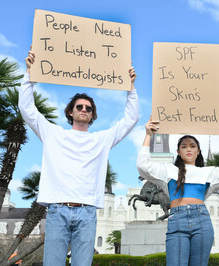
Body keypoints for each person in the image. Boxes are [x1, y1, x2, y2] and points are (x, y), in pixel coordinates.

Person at [19, 49, 139, 266]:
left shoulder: (101, 140)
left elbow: (131, 119)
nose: (84, 109)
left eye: (88, 108)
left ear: (92, 115)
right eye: (79, 107)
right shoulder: (53, 133)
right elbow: (27, 109)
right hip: (57, 210)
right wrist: (29, 74)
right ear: (70, 112)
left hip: (87, 213)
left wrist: (130, 87)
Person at [137, 118, 219, 266]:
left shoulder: (207, 172)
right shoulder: (168, 170)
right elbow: (143, 166)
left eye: (192, 146)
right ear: (178, 152)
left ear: (198, 151)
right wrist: (148, 135)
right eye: (184, 146)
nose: (188, 149)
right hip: (177, 221)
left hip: (202, 221)